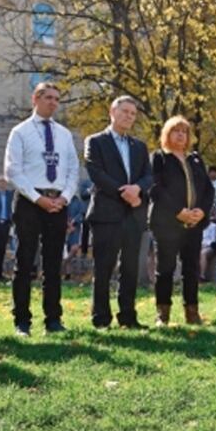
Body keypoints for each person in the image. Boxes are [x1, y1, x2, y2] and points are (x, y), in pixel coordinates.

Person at [4, 82, 79, 336]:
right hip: (29, 201)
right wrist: (37, 198)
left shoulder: (64, 134)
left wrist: (65, 197)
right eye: (48, 97)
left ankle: (53, 320)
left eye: (57, 99)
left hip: (58, 203)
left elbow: (72, 170)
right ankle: (22, 321)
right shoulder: (21, 132)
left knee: (53, 263)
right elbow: (13, 170)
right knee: (25, 262)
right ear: (35, 98)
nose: (53, 103)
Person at [84, 95, 153, 330]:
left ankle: (128, 317)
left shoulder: (139, 147)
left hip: (133, 215)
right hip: (106, 213)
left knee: (131, 268)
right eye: (124, 111)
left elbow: (148, 176)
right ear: (112, 112)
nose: (129, 117)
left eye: (133, 114)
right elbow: (96, 172)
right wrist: (124, 191)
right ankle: (101, 318)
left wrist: (138, 189)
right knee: (104, 267)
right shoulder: (95, 141)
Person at [149, 115, 214, 327]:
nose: (181, 134)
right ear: (167, 134)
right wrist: (178, 211)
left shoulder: (195, 159)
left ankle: (192, 313)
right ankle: (163, 314)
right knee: (165, 269)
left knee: (191, 269)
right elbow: (155, 188)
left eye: (184, 131)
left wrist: (202, 212)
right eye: (176, 131)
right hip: (167, 223)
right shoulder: (159, 157)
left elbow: (207, 190)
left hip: (194, 224)